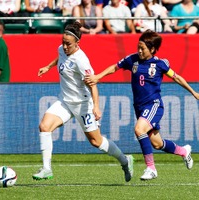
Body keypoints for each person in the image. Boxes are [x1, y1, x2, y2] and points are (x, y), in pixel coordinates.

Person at [85, 29, 198, 180]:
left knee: (139, 129)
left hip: (153, 105)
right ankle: (184, 151)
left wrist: (194, 92)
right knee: (157, 144)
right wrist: (98, 77)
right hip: (139, 107)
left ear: (152, 49)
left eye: (142, 48)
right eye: (138, 47)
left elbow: (177, 78)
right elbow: (114, 67)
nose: (139, 50)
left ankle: (151, 168)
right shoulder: (132, 60)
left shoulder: (159, 64)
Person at [32, 21, 133, 182]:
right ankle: (46, 168)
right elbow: (60, 57)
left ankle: (125, 160)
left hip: (83, 105)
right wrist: (48, 67)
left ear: (77, 43)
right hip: (65, 102)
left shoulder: (81, 61)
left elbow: (92, 85)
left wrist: (97, 108)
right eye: (63, 43)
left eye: (68, 44)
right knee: (44, 126)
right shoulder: (62, 49)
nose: (65, 47)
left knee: (96, 142)